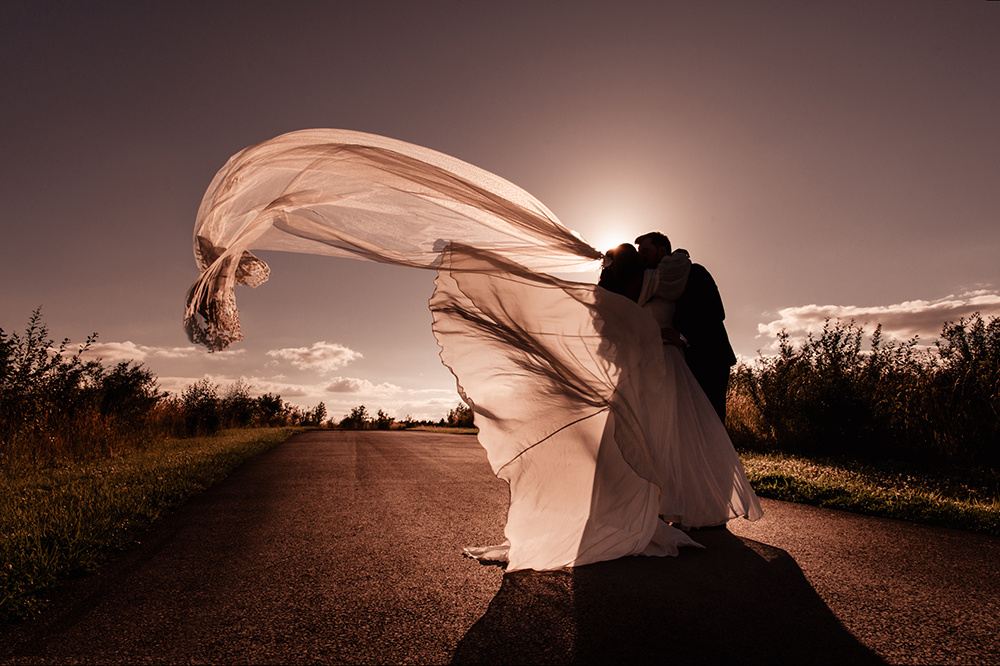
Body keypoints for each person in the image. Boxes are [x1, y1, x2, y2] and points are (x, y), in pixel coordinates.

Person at [635, 232, 736, 422]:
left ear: (662, 250)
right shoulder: (656, 283)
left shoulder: (695, 272)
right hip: (680, 361)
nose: (642, 257)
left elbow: (715, 313)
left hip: (709, 356)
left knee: (711, 420)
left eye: (646, 251)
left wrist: (683, 337)